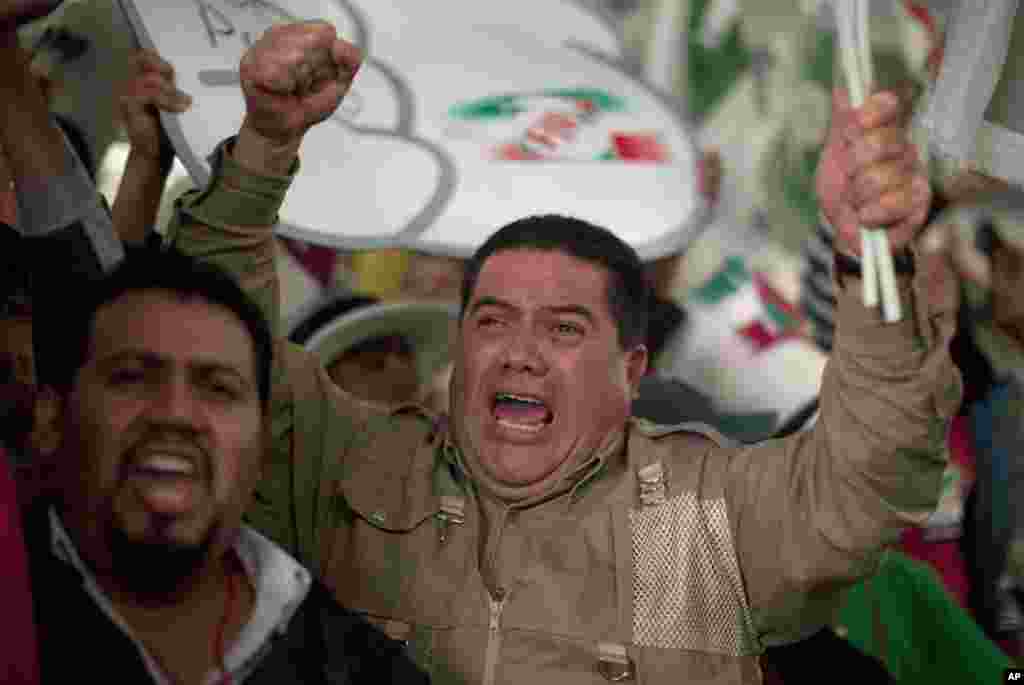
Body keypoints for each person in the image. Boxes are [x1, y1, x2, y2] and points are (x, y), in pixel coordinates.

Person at [164, 21, 959, 684]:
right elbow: (210, 356)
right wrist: (265, 148)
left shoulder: (700, 523)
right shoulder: (360, 472)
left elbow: (866, 480)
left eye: (565, 328)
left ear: (632, 371)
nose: (519, 351)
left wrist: (867, 257)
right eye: (492, 320)